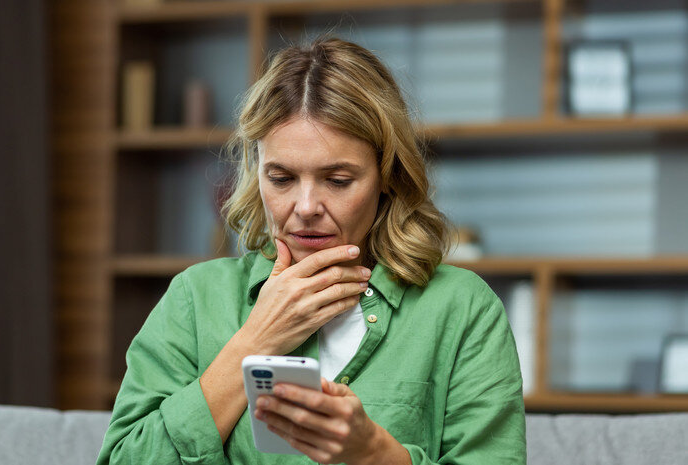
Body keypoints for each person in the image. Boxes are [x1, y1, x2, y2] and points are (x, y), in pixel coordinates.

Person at [96, 36, 526, 465]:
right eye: (281, 178)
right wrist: (255, 339)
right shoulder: (195, 299)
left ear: (387, 176)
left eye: (338, 180)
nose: (305, 208)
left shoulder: (461, 309)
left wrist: (375, 453)